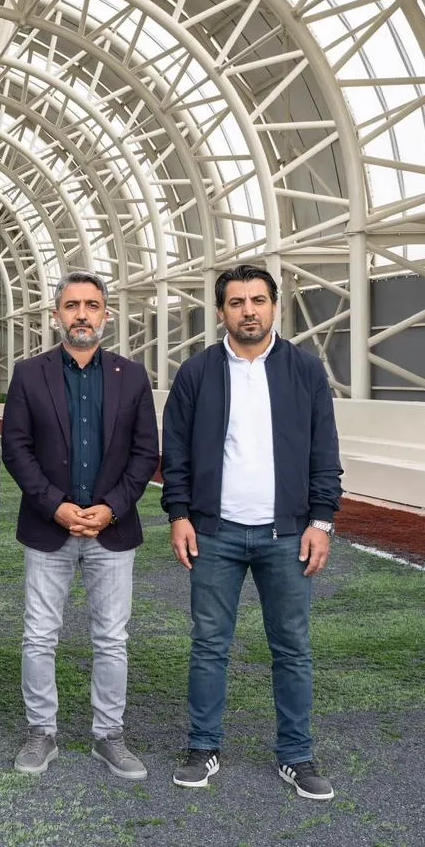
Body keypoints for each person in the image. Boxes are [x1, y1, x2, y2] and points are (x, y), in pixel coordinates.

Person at [163, 263, 342, 800]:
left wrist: (321, 521)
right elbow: (175, 453)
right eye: (237, 302)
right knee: (209, 645)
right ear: (221, 311)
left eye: (258, 300)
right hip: (214, 533)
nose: (249, 311)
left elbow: (324, 452)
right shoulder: (196, 373)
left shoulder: (305, 370)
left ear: (274, 306)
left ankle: (296, 755)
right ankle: (203, 746)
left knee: (292, 647)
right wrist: (179, 514)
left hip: (286, 536)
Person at [1, 271, 158, 780]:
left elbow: (145, 453)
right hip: (50, 529)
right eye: (72, 306)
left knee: (111, 638)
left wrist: (111, 507)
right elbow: (16, 449)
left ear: (106, 315)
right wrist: (56, 506)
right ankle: (40, 732)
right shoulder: (29, 374)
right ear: (56, 315)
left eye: (92, 305)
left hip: (112, 530)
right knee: (39, 635)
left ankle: (109, 735)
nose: (82, 314)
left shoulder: (132, 376)